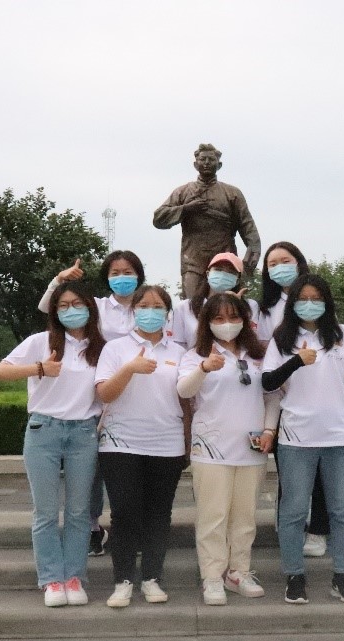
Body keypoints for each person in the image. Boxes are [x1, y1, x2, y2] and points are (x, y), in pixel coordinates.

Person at [0, 281, 105, 607]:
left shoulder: (101, 347)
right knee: (45, 511)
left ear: (90, 307)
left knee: (79, 511)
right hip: (44, 430)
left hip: (84, 433)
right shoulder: (40, 341)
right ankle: (52, 579)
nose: (71, 310)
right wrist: (40, 368)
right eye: (63, 305)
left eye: (77, 304)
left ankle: (74, 577)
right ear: (54, 311)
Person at [261, 273, 344, 605]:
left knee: (342, 510)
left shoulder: (343, 335)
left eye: (316, 298)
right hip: (296, 437)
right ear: (293, 304)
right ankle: (294, 575)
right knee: (293, 511)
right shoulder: (282, 338)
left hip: (340, 435)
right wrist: (296, 361)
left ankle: (342, 575)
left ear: (327, 302)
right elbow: (268, 382)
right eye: (303, 299)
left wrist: (329, 403)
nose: (310, 304)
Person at [38, 250, 149, 557]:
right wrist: (58, 281)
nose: (122, 278)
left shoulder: (148, 305)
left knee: (133, 467)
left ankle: (133, 529)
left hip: (143, 392)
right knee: (93, 468)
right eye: (115, 273)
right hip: (101, 391)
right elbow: (50, 308)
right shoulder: (98, 307)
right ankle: (91, 528)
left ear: (139, 275)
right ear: (106, 277)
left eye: (128, 272)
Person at [94, 285, 189, 608]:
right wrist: (128, 369)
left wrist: (188, 440)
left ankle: (151, 577)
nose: (151, 312)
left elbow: (188, 399)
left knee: (159, 513)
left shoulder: (179, 352)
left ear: (168, 313)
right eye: (144, 306)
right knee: (124, 512)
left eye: (157, 306)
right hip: (120, 443)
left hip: (166, 443)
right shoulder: (115, 349)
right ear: (133, 311)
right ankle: (123, 580)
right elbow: (105, 394)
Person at [176, 292, 272, 606]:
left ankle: (238, 571)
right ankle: (212, 576)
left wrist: (270, 429)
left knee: (245, 516)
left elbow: (272, 395)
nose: (227, 324)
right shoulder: (196, 355)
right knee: (213, 516)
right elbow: (184, 390)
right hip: (211, 449)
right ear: (207, 323)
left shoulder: (258, 354)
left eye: (233, 317)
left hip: (252, 448)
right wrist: (204, 368)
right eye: (218, 318)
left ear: (245, 320)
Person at [258, 241, 330, 558]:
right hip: (278, 394)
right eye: (272, 264)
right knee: (289, 467)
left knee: (322, 472)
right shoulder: (264, 309)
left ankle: (319, 530)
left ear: (299, 262)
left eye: (284, 261)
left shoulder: (317, 301)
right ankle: (290, 523)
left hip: (317, 398)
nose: (279, 268)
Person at [153, 143, 262, 299]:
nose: (206, 163)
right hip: (193, 259)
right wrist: (186, 209)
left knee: (223, 304)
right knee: (191, 305)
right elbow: (159, 218)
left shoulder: (232, 193)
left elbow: (247, 225)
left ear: (219, 165)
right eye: (202, 159)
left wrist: (252, 255)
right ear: (195, 164)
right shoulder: (183, 192)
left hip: (224, 260)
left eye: (211, 160)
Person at [171, 252, 259, 350]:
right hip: (196, 358)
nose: (223, 275)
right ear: (208, 274)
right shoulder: (185, 307)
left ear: (237, 280)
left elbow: (251, 341)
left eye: (230, 272)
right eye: (218, 269)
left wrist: (238, 308)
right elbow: (178, 347)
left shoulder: (250, 306)